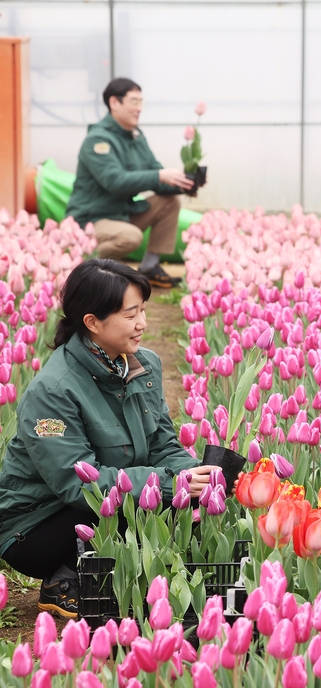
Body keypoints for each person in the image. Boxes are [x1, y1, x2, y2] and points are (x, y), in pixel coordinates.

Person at [0, 260, 217, 618]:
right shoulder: (53, 391)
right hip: (38, 527)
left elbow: (163, 443)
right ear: (92, 322)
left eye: (143, 311)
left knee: (187, 499)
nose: (143, 324)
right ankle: (65, 578)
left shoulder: (140, 364)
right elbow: (76, 484)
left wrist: (197, 475)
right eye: (131, 315)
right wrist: (168, 483)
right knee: (149, 500)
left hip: (112, 497)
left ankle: (136, 572)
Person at [65, 78, 192, 289]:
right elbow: (114, 181)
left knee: (169, 201)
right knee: (131, 237)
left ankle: (150, 268)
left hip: (122, 214)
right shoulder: (98, 141)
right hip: (92, 218)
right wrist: (160, 175)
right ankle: (79, 266)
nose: (139, 108)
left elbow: (155, 174)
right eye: (134, 102)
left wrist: (185, 183)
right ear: (114, 103)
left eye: (142, 102)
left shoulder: (135, 136)